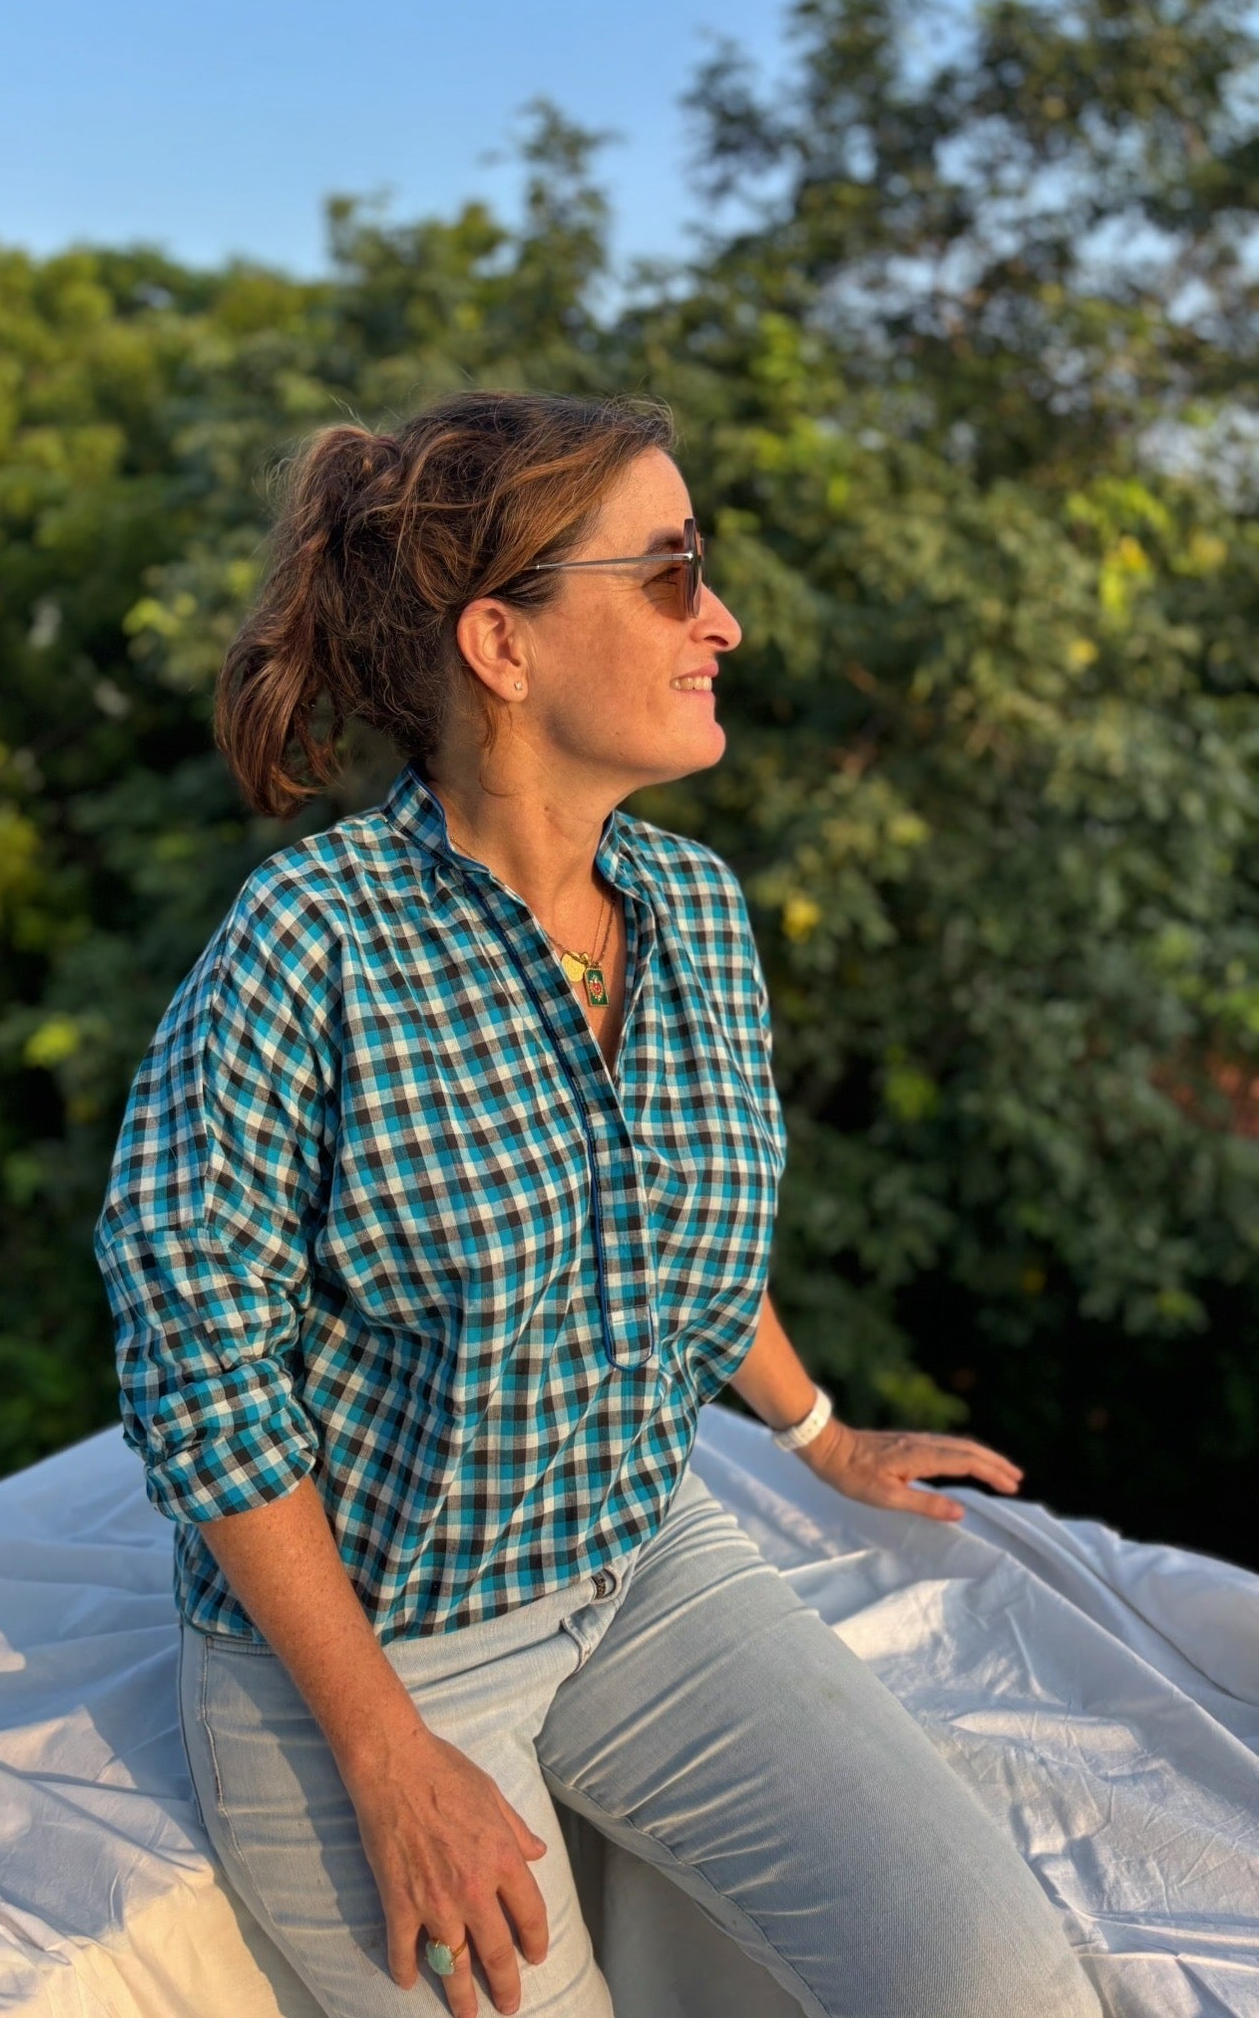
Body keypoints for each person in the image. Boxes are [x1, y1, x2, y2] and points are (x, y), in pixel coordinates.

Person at [93, 389, 1102, 2018]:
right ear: (503, 645)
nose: (726, 619)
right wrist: (389, 1756)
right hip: (384, 1649)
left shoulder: (695, 911)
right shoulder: (309, 943)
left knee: (1002, 1985)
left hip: (637, 1558)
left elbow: (669, 1238)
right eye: (671, 572)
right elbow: (196, 1360)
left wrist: (819, 1434)